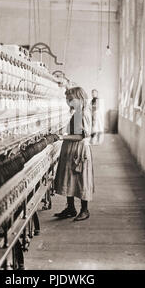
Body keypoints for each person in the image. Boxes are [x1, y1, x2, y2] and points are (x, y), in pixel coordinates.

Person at [54, 87, 94, 221]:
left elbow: (80, 136)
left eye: (71, 99)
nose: (68, 102)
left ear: (80, 99)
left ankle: (85, 210)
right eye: (67, 99)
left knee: (80, 179)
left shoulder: (81, 114)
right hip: (71, 149)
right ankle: (70, 208)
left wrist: (61, 137)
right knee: (69, 178)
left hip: (78, 150)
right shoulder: (77, 112)